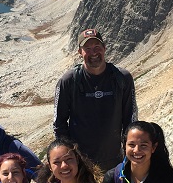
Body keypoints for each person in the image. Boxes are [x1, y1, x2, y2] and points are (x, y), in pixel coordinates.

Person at [53, 28, 138, 171]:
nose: (93, 53)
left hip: (115, 162)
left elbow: (131, 118)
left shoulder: (122, 78)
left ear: (104, 48)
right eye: (88, 48)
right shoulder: (68, 81)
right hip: (81, 164)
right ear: (80, 52)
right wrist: (69, 158)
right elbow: (59, 124)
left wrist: (129, 153)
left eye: (97, 47)